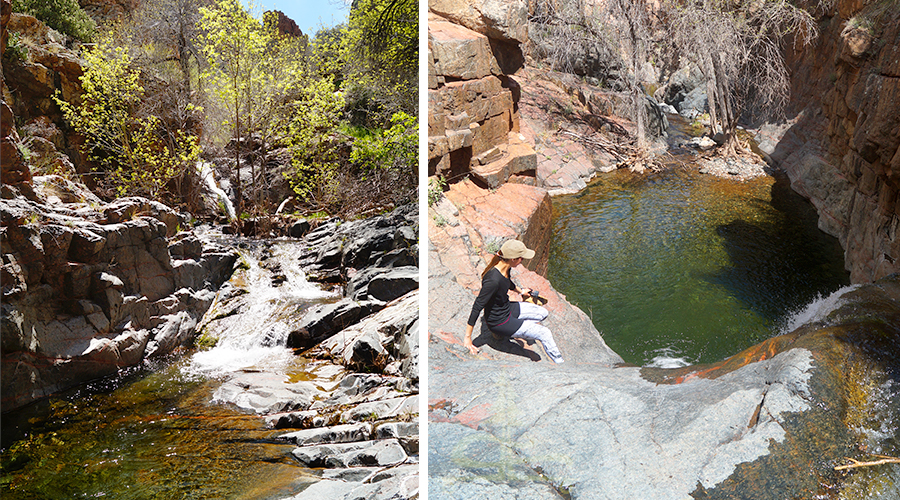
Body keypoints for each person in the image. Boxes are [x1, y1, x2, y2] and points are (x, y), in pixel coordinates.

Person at [463, 239, 564, 363]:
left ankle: (518, 328)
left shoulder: (505, 268)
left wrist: (521, 291)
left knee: (543, 313)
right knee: (544, 333)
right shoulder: (493, 281)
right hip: (500, 322)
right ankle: (560, 364)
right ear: (513, 259)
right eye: (521, 258)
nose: (522, 260)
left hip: (507, 309)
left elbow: (507, 283)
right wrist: (468, 338)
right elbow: (477, 306)